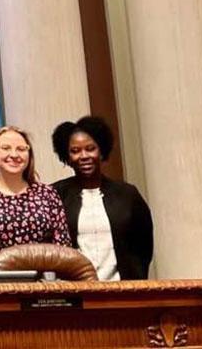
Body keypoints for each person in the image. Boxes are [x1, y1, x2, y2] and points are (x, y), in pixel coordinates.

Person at [52, 116, 154, 281]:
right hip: (75, 293)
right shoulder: (55, 194)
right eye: (75, 151)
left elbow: (143, 246)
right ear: (67, 156)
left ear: (101, 151)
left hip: (122, 291)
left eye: (90, 148)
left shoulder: (127, 195)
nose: (84, 156)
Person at [0, 126, 70, 271]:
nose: (14, 154)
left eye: (21, 149)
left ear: (29, 155)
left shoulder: (47, 194)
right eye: (6, 148)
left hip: (45, 284)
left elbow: (62, 247)